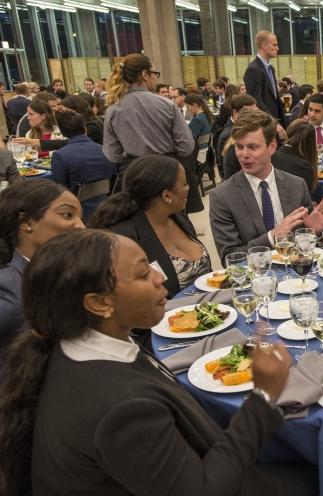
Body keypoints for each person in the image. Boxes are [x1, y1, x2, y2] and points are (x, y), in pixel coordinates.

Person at [0, 228, 320, 496]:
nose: (160, 277)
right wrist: (263, 396)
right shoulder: (117, 407)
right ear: (99, 303)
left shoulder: (76, 346)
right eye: (143, 274)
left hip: (153, 492)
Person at [209, 109, 323, 261]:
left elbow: (312, 250)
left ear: (272, 147)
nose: (244, 154)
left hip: (296, 277)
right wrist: (272, 237)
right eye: (239, 147)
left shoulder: (296, 185)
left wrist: (314, 233)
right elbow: (230, 258)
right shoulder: (223, 196)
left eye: (253, 147)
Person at [90, 155, 211, 297]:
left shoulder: (178, 217)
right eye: (184, 183)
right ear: (167, 196)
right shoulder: (127, 238)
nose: (189, 187)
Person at [0, 180, 83, 366]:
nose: (81, 226)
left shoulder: (55, 271)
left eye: (80, 217)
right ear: (27, 222)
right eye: (67, 215)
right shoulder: (9, 291)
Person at [102, 53, 194, 173]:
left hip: (135, 174)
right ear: (145, 74)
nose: (157, 78)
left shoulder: (112, 110)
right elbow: (186, 146)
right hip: (167, 172)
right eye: (155, 74)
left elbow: (112, 154)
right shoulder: (167, 105)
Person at [50, 111, 115, 221]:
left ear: (63, 133)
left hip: (77, 212)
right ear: (85, 129)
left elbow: (59, 189)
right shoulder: (105, 150)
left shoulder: (61, 155)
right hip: (107, 207)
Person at [243, 30, 286, 136]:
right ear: (264, 46)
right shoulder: (253, 69)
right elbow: (256, 101)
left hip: (276, 121)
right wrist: (273, 122)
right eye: (274, 45)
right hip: (265, 125)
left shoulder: (270, 68)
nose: (277, 48)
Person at [272, 120, 319, 199]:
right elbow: (305, 201)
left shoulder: (270, 156)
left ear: (288, 133)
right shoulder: (304, 167)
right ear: (311, 143)